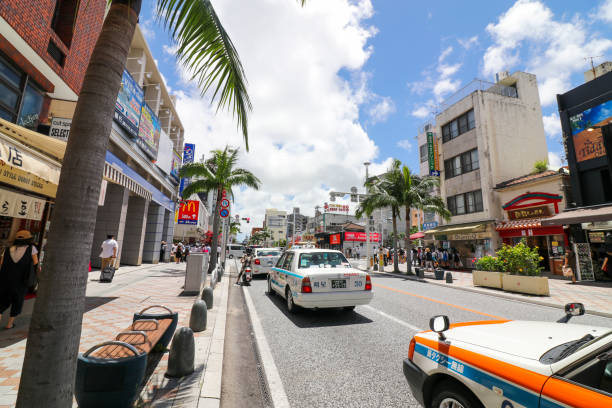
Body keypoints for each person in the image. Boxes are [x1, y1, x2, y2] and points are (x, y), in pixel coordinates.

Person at [0, 230, 39, 329]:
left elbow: (1, 263)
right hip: (22, 280)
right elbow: (36, 263)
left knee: (3, 300)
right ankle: (9, 324)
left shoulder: (8, 249)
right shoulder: (32, 249)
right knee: (18, 300)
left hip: (6, 279)